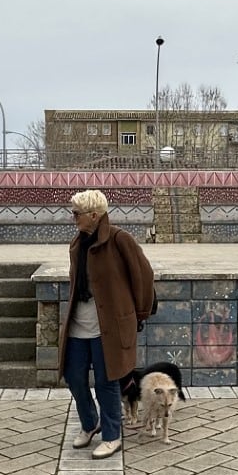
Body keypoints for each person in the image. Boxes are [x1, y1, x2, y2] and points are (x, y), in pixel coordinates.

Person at [62, 189, 156, 458]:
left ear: (94, 215)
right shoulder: (77, 243)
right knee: (74, 377)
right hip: (80, 323)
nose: (74, 218)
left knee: (107, 380)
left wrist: (140, 312)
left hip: (110, 326)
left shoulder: (119, 239)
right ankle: (91, 423)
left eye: (77, 214)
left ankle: (112, 435)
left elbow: (144, 274)